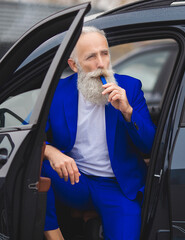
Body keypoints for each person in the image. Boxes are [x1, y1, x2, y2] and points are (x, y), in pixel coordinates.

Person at [42, 26, 156, 240]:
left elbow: (150, 146)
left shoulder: (130, 88)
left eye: (104, 53)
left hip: (118, 187)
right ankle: (54, 234)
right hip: (76, 181)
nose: (101, 64)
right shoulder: (58, 91)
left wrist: (128, 112)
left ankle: (92, 217)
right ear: (74, 65)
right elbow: (30, 134)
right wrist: (51, 152)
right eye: (91, 57)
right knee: (35, 162)